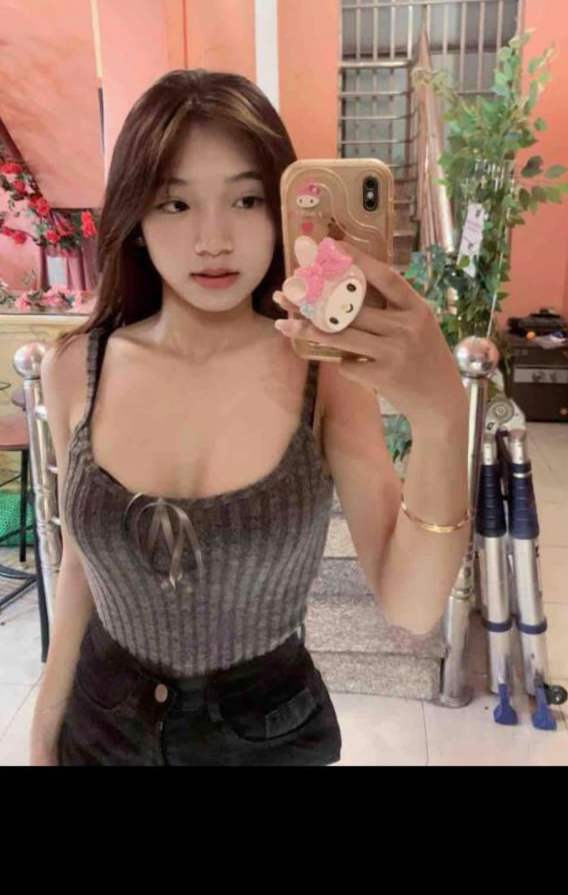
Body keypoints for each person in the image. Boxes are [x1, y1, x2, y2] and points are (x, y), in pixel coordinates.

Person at [29, 69, 346, 766]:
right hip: (102, 723)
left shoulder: (322, 371)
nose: (213, 240)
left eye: (247, 199)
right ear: (136, 221)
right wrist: (44, 728)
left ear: (283, 211)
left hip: (268, 731)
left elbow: (412, 599)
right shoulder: (75, 367)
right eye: (175, 204)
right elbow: (80, 564)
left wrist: (438, 407)